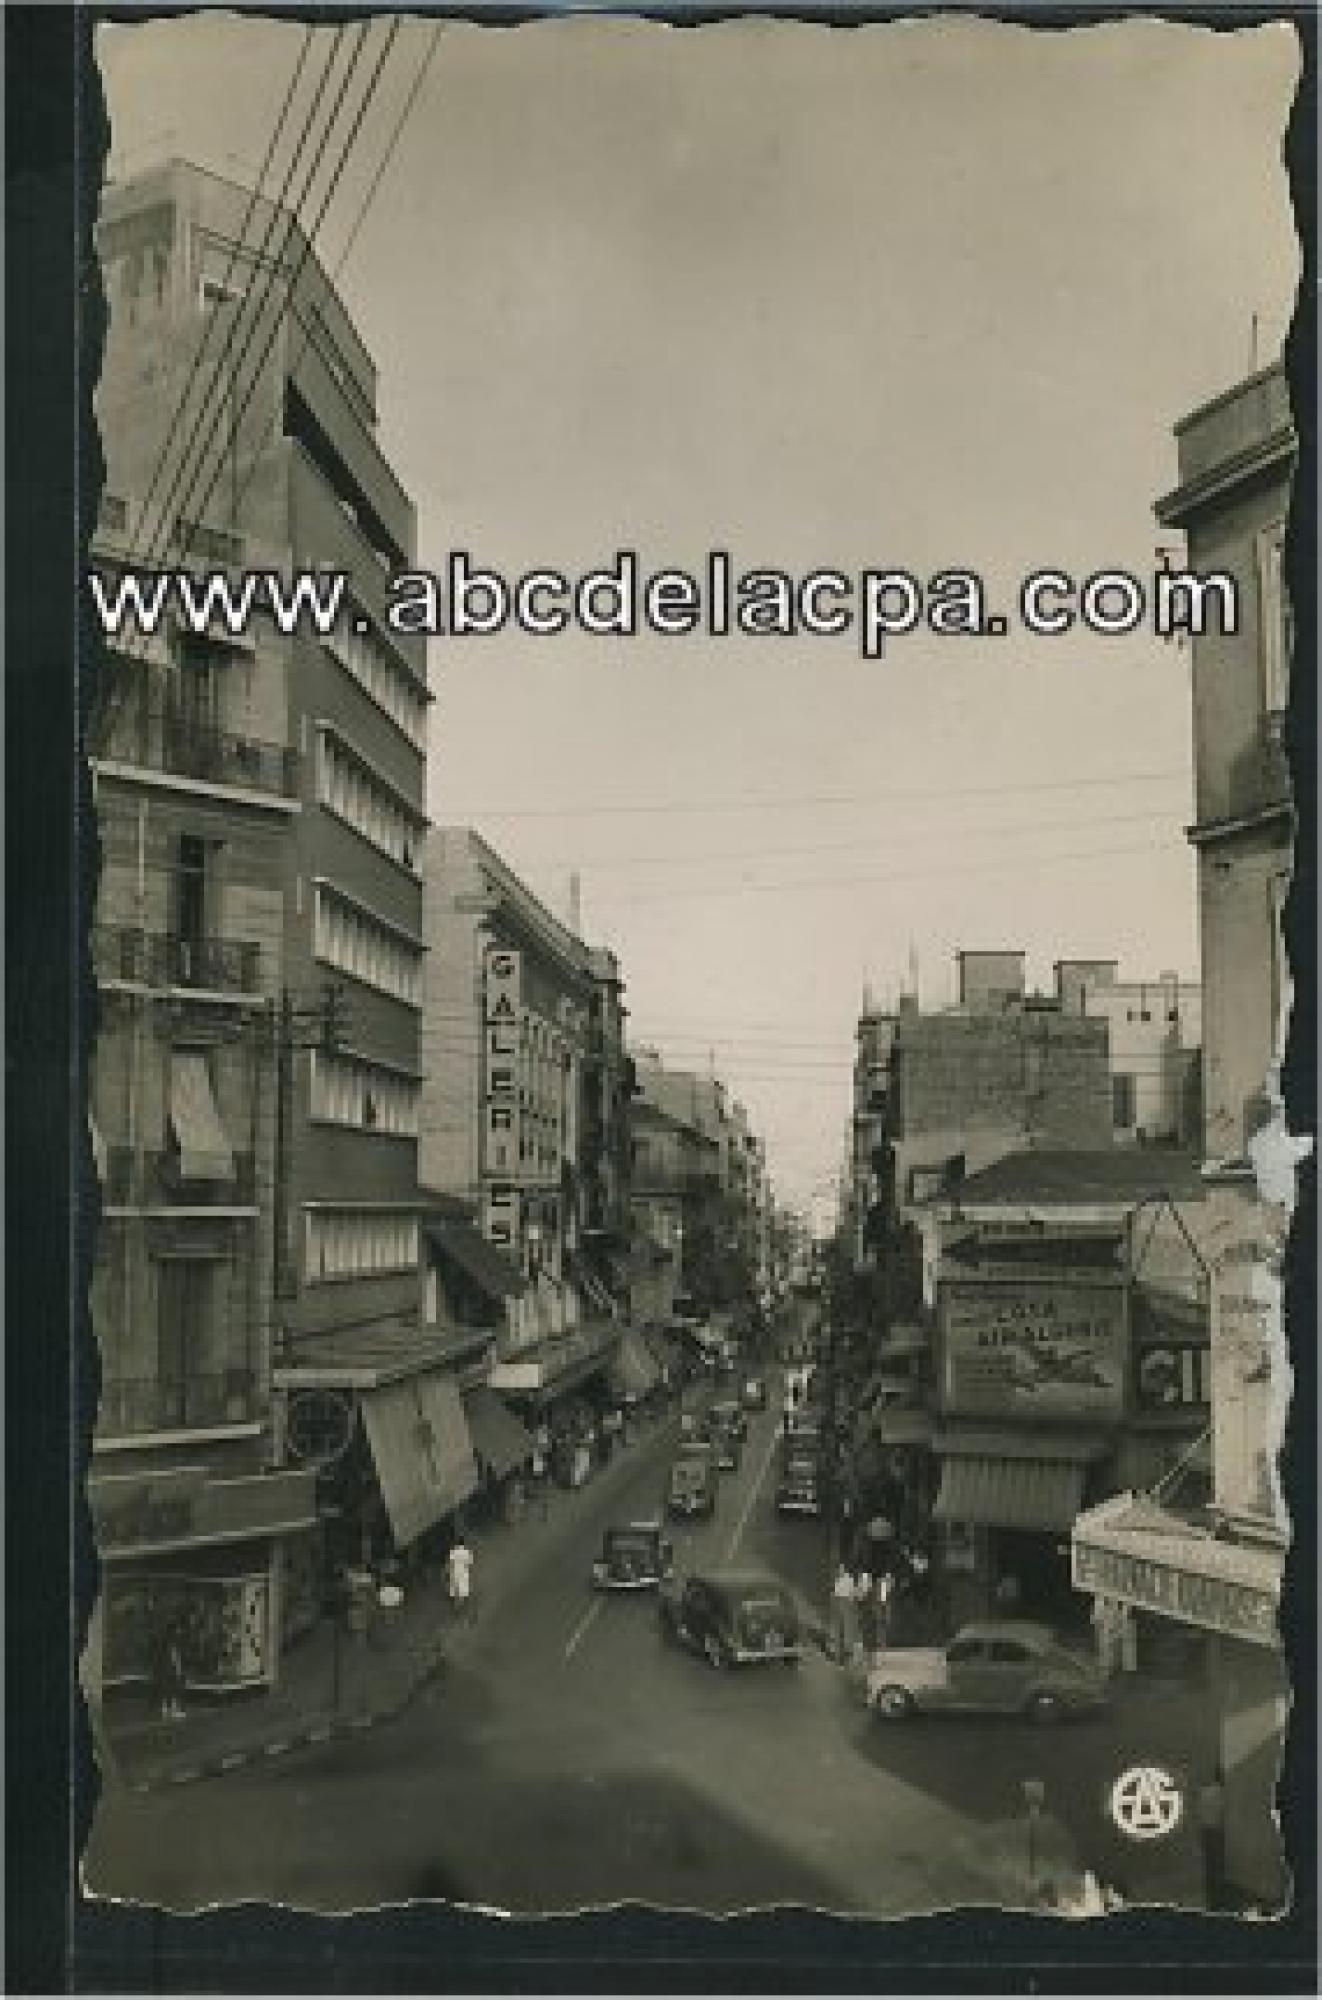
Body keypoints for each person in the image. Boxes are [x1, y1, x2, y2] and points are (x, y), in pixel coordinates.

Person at [830, 1563, 857, 1664]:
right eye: (838, 1569)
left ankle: (848, 1653)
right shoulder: (838, 1580)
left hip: (846, 1603)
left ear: (844, 1569)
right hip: (839, 1602)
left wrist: (850, 1604)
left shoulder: (848, 1579)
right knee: (839, 1629)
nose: (839, 1571)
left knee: (847, 1628)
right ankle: (839, 1654)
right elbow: (836, 1593)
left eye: (841, 1569)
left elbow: (852, 1593)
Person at [447, 1534, 475, 1624]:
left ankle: (460, 1616)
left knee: (457, 1598)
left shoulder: (453, 1553)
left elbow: (449, 1566)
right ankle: (466, 1616)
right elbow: (470, 1564)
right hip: (462, 1575)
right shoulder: (466, 1552)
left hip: (455, 1576)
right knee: (463, 1597)